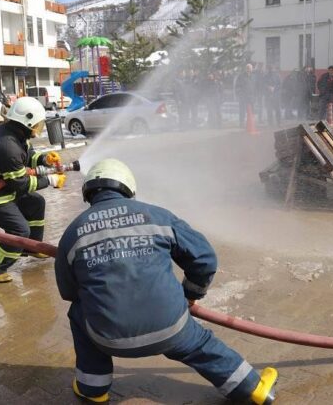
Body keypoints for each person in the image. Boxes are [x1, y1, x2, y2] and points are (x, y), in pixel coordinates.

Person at [55, 158, 279, 405]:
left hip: (107, 338)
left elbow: (69, 291)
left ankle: (92, 390)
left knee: (78, 312)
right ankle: (253, 389)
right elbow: (204, 259)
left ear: (87, 193)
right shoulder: (157, 216)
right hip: (172, 330)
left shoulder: (73, 232)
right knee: (200, 345)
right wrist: (190, 294)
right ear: (128, 188)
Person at [0, 97, 66, 283]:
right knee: (19, 229)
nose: (40, 126)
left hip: (4, 182)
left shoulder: (15, 133)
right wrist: (51, 180)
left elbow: (27, 155)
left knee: (36, 203)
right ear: (28, 122)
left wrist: (44, 160)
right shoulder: (7, 146)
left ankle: (31, 247)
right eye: (38, 123)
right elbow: (20, 184)